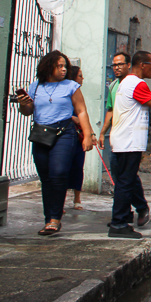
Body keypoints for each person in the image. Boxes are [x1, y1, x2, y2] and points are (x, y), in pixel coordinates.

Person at [15, 51, 96, 236]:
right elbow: (27, 111)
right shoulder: (36, 86)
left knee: (58, 173)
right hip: (41, 134)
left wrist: (87, 135)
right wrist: (23, 103)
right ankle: (48, 218)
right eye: (59, 66)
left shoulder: (71, 86)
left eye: (65, 66)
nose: (63, 69)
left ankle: (55, 219)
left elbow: (81, 111)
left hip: (64, 133)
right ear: (48, 67)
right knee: (46, 178)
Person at [109, 50, 151, 238]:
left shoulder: (126, 82)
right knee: (126, 182)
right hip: (129, 141)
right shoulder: (136, 84)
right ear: (142, 65)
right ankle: (118, 224)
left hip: (124, 139)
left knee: (126, 181)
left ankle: (124, 217)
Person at [96, 52, 131, 151]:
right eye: (114, 65)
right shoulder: (113, 86)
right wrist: (102, 133)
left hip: (131, 136)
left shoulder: (135, 84)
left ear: (128, 65)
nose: (116, 68)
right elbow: (111, 110)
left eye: (120, 64)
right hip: (117, 135)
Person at [65, 65, 88, 211]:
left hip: (79, 136)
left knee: (78, 167)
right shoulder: (66, 92)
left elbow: (83, 114)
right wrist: (72, 118)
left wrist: (89, 134)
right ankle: (61, 199)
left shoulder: (79, 93)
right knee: (64, 168)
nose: (82, 78)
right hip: (66, 135)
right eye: (80, 75)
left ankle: (77, 198)